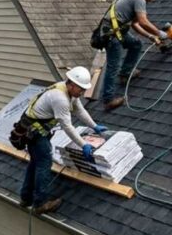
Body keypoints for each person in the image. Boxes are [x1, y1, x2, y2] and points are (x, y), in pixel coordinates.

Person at [19, 67, 107, 214]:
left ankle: (26, 198)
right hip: (34, 132)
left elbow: (79, 110)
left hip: (36, 128)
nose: (82, 93)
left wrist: (94, 126)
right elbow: (67, 126)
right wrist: (84, 144)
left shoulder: (69, 92)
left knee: (35, 162)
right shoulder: (60, 98)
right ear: (71, 84)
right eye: (81, 89)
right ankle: (40, 203)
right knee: (44, 163)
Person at [98, 0, 169, 111]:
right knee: (113, 66)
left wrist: (150, 36)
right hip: (111, 34)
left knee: (136, 44)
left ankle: (126, 73)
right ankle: (108, 100)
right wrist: (160, 33)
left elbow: (135, 24)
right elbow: (143, 21)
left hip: (118, 31)